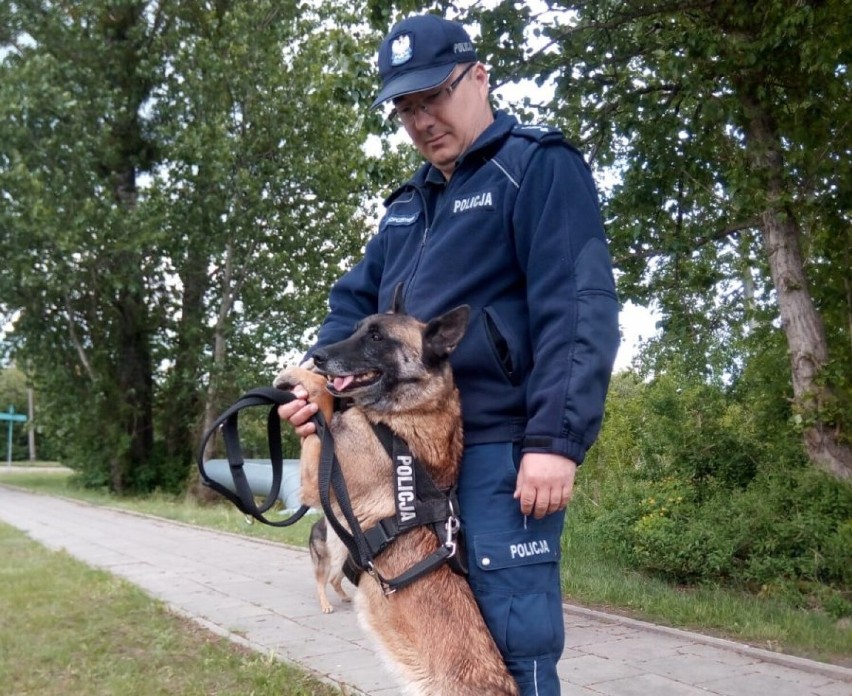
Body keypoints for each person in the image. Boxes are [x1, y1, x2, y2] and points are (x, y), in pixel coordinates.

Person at [279, 13, 620, 696]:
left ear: (479, 76)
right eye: (406, 107)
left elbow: (578, 308)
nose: (422, 118)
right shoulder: (409, 206)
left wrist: (555, 439)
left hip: (501, 450)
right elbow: (353, 304)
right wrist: (317, 376)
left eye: (434, 95)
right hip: (406, 452)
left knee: (509, 649)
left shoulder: (534, 167)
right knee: (438, 649)